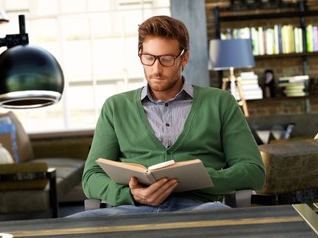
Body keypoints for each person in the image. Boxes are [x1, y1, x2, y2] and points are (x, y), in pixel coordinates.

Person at [68, 15, 265, 217]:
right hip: (129, 211)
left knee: (225, 220)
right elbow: (91, 177)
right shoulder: (115, 107)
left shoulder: (220, 102)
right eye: (149, 58)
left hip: (199, 210)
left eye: (166, 59)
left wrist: (199, 179)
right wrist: (132, 194)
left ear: (184, 58)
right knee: (67, 232)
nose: (156, 69)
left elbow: (253, 172)